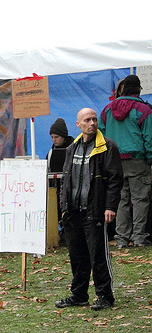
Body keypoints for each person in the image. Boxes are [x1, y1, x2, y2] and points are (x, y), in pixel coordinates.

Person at [56, 108, 123, 311]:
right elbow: (66, 180)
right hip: (73, 212)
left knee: (98, 255)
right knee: (77, 256)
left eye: (94, 119)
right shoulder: (72, 148)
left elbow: (115, 180)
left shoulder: (107, 147)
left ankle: (105, 296)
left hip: (94, 210)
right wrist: (64, 208)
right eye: (87, 120)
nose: (92, 123)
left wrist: (110, 207)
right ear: (78, 124)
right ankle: (79, 295)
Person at [99, 74, 152, 248]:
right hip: (137, 161)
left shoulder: (107, 110)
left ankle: (121, 239)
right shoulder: (144, 110)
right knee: (140, 200)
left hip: (114, 161)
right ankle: (139, 238)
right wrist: (150, 160)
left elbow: (101, 136)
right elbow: (149, 139)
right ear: (138, 90)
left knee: (120, 200)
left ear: (122, 90)